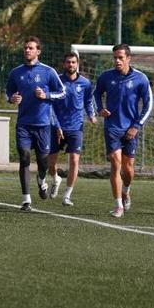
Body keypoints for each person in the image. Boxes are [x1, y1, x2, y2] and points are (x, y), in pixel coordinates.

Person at [93, 43, 153, 218]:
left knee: (128, 169)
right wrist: (100, 109)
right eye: (115, 58)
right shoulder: (106, 77)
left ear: (128, 58)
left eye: (120, 57)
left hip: (131, 128)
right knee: (115, 163)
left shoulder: (141, 78)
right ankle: (118, 205)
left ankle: (126, 190)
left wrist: (136, 125)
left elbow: (149, 104)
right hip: (112, 127)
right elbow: (96, 94)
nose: (117, 61)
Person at [5, 36, 65, 211]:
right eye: (25, 48)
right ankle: (26, 200)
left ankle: (41, 179)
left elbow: (62, 92)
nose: (27, 50)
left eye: (31, 48)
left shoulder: (48, 72)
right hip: (23, 124)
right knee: (24, 157)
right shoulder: (16, 72)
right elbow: (8, 91)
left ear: (38, 51)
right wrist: (11, 98)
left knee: (43, 162)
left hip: (43, 125)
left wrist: (46, 96)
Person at [47, 52, 96, 207]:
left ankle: (67, 195)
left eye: (73, 62)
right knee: (50, 163)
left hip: (76, 127)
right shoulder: (57, 81)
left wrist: (91, 115)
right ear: (64, 64)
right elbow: (50, 105)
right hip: (56, 127)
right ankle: (55, 178)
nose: (71, 65)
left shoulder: (85, 83)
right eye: (68, 62)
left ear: (77, 64)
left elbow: (88, 101)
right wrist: (57, 125)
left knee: (74, 160)